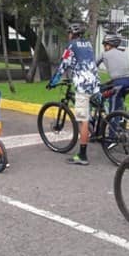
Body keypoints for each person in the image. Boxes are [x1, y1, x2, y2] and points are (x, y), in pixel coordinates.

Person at [47, 22, 100, 166]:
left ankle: (82, 156)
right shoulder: (88, 44)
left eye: (69, 33)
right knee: (96, 108)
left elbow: (63, 65)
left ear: (72, 34)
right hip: (94, 82)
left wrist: (53, 82)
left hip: (82, 84)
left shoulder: (71, 46)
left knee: (83, 119)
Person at [96, 33, 129, 113]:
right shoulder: (124, 53)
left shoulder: (104, 54)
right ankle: (122, 116)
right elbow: (120, 73)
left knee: (112, 110)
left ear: (109, 45)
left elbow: (93, 66)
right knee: (116, 98)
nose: (104, 47)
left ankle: (112, 123)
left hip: (119, 83)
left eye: (105, 45)